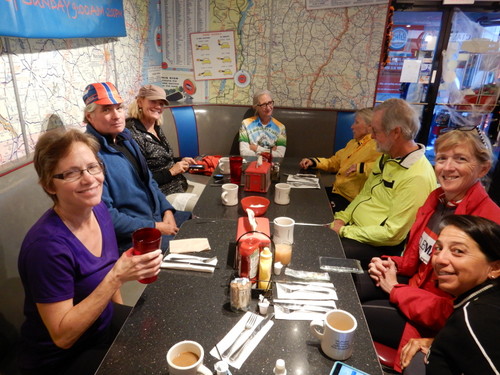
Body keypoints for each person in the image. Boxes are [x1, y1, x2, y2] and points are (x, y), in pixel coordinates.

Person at [17, 128, 162, 375]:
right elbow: (62, 337)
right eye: (72, 173)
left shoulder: (98, 211)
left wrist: (121, 316)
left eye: (93, 167)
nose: (89, 179)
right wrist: (116, 276)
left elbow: (108, 278)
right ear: (50, 185)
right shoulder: (46, 247)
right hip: (61, 360)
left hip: (99, 331)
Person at [358, 127, 500, 373]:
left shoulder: (489, 222)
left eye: (460, 159)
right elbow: (416, 258)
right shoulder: (437, 198)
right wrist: (389, 263)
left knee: (355, 315)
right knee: (353, 282)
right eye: (442, 158)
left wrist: (396, 289)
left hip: (437, 319)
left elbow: (456, 311)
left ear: (483, 169)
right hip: (415, 289)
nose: (447, 167)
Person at [83, 82, 190, 252]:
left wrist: (167, 210)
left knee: (202, 224)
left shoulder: (125, 138)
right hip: (135, 238)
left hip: (156, 217)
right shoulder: (90, 155)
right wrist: (156, 226)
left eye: (118, 108)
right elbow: (107, 217)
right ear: (89, 116)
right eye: (106, 110)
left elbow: (150, 181)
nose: (116, 115)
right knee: (195, 250)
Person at [331, 98, 437, 267]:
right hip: (356, 231)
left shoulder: (417, 177)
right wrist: (342, 218)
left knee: (327, 249)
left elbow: (392, 234)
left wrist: (344, 231)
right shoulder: (387, 157)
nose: (371, 137)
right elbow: (365, 195)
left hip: (380, 248)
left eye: (376, 131)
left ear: (396, 132)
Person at [400, 215, 500, 375]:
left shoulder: (474, 317)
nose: (440, 259)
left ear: (495, 268)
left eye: (458, 251)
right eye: (438, 248)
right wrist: (436, 342)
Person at [126, 84, 202, 211]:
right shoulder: (132, 134)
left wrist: (181, 160)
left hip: (180, 184)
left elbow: (162, 160)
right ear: (140, 102)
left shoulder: (155, 126)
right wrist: (172, 171)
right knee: (206, 207)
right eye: (153, 101)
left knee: (216, 195)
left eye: (161, 103)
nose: (158, 106)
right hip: (161, 195)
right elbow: (138, 179)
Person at [299, 108, 381, 212]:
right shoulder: (353, 143)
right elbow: (334, 162)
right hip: (337, 191)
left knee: (315, 210)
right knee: (306, 197)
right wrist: (314, 162)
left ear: (370, 126)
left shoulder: (377, 145)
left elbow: (385, 167)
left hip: (350, 200)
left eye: (356, 122)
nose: (352, 126)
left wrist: (361, 167)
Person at [239, 89, 287, 158]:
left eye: (270, 103)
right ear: (256, 107)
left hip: (271, 166)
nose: (268, 108)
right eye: (264, 105)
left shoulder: (281, 127)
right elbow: (244, 153)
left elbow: (279, 156)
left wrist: (256, 148)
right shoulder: (245, 124)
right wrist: (270, 152)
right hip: (251, 165)